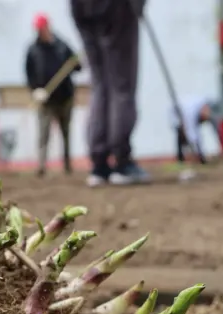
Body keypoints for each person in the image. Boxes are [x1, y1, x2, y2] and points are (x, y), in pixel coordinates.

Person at [69, 0, 149, 187]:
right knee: (121, 83)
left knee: (100, 82)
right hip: (116, 7)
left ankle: (99, 163)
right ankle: (121, 161)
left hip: (81, 7)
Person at [25, 12, 82, 177]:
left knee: (66, 132)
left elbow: (78, 67)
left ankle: (67, 165)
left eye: (42, 28)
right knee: (43, 133)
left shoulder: (62, 46)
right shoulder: (32, 50)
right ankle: (41, 166)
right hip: (45, 99)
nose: (40, 31)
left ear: (47, 27)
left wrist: (74, 63)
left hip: (65, 97)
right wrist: (35, 90)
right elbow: (29, 74)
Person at [171, 96, 223, 165]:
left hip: (187, 117)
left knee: (194, 136)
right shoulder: (190, 112)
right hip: (178, 116)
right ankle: (181, 159)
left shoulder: (203, 106)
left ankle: (200, 157)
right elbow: (192, 133)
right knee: (182, 137)